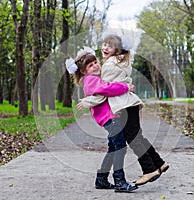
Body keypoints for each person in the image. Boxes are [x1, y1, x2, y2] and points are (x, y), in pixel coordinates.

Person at [78, 34, 169, 186]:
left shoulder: (109, 65)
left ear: (118, 50)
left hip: (124, 105)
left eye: (110, 46)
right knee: (136, 137)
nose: (105, 48)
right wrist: (126, 86)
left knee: (133, 138)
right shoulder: (121, 62)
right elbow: (108, 87)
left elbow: (106, 90)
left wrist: (88, 101)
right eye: (104, 44)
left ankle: (149, 170)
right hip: (128, 104)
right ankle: (159, 163)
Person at [65, 47, 138, 192]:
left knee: (113, 148)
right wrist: (125, 87)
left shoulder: (95, 78)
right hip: (110, 118)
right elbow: (107, 88)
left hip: (111, 117)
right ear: (84, 71)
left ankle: (101, 179)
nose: (95, 66)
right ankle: (120, 181)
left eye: (95, 62)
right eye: (90, 65)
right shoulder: (90, 80)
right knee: (120, 147)